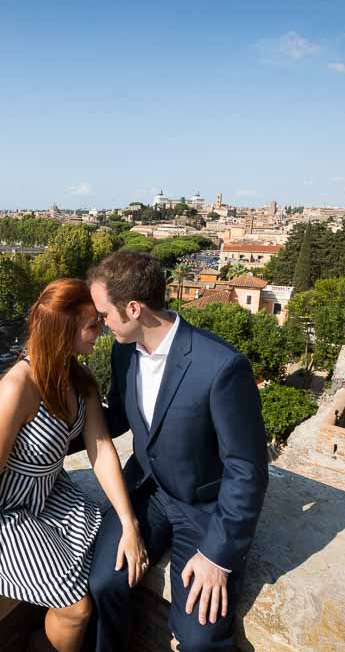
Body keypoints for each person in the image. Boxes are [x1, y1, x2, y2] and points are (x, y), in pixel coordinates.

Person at [0, 278, 149, 652]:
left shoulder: (80, 380)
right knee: (77, 608)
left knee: (96, 556)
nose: (100, 330)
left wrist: (129, 522)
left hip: (44, 493)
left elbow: (100, 449)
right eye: (91, 325)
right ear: (63, 329)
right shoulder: (17, 389)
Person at [83, 251, 269, 652]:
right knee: (103, 583)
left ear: (134, 309)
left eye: (104, 314)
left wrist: (218, 556)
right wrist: (45, 432)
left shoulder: (221, 366)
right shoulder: (122, 352)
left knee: (200, 637)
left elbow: (247, 469)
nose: (100, 324)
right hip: (148, 492)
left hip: (205, 509)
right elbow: (117, 418)